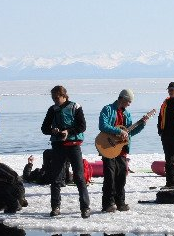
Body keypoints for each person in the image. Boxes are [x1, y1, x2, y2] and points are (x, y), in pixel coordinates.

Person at [42, 85, 92, 218]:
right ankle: (55, 206)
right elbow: (44, 128)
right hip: (58, 146)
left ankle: (85, 207)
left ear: (64, 96)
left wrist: (68, 131)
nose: (55, 100)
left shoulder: (76, 107)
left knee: (79, 177)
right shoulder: (52, 110)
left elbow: (82, 126)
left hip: (73, 145)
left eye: (57, 97)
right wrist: (53, 130)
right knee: (56, 178)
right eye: (53, 98)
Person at [98, 89, 148, 213]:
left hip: (121, 150)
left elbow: (130, 132)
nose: (129, 104)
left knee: (121, 177)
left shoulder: (127, 114)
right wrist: (118, 131)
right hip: (108, 147)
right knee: (110, 177)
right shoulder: (108, 109)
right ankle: (108, 204)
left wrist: (142, 124)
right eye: (129, 101)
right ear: (123, 98)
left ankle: (120, 202)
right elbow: (102, 126)